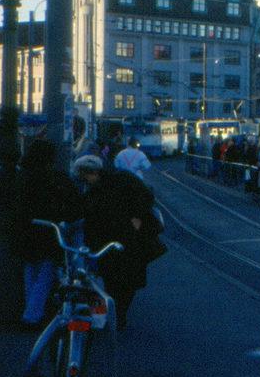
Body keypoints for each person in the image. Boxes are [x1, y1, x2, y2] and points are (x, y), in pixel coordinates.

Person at [75, 154, 165, 329]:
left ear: (91, 172)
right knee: (122, 280)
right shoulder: (116, 180)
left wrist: (137, 217)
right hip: (117, 240)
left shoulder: (113, 182)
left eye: (85, 176)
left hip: (122, 239)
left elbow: (145, 196)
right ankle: (115, 316)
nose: (85, 181)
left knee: (114, 279)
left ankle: (113, 316)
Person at [11, 140, 83, 328]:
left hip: (27, 232)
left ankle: (31, 312)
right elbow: (72, 205)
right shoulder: (55, 178)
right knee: (46, 273)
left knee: (31, 272)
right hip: (49, 232)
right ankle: (33, 314)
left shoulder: (22, 177)